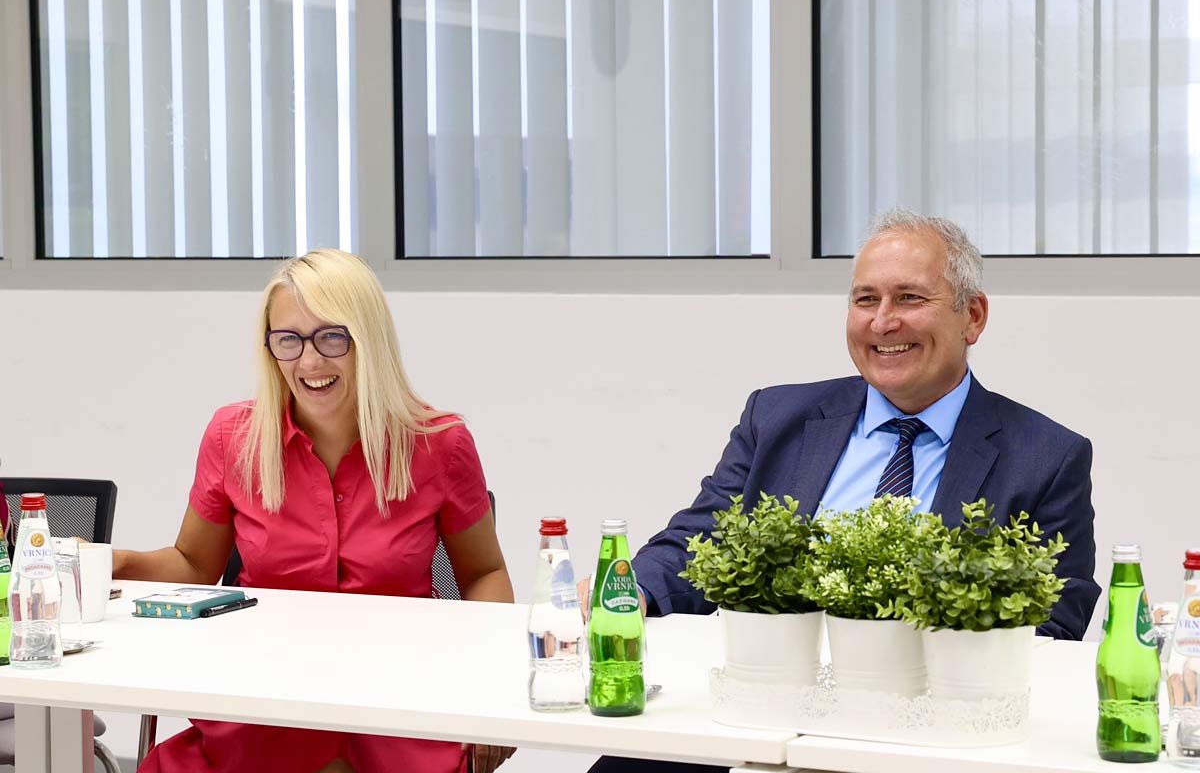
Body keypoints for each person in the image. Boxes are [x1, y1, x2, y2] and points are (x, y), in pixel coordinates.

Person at [586, 209, 1100, 773]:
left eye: (909, 298)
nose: (883, 322)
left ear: (972, 317)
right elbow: (703, 536)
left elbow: (1054, 624)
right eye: (865, 300)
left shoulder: (1045, 457)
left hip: (922, 737)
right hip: (759, 707)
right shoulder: (777, 418)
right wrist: (632, 588)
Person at [116, 249, 516, 773]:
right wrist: (115, 562)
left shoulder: (440, 443)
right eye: (289, 340)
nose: (309, 362)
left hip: (399, 699)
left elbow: (483, 573)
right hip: (267, 699)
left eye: (332, 337)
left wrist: (489, 696)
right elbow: (193, 564)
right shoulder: (232, 437)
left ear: (368, 339)